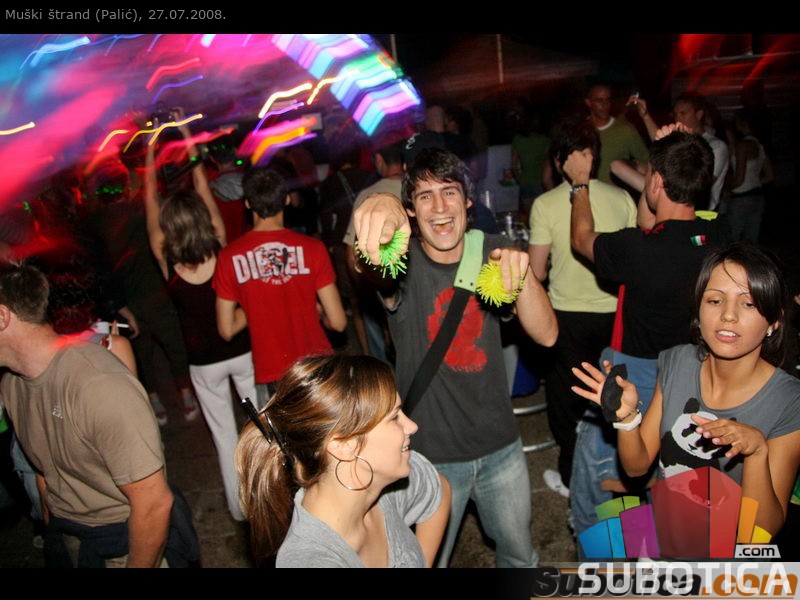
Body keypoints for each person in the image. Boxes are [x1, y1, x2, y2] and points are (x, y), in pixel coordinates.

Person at [352, 147, 558, 567]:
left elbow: (547, 334)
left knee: (519, 557)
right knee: (424, 561)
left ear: (468, 201)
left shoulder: (494, 251)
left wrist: (523, 274)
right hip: (431, 456)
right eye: (424, 196)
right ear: (411, 210)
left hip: (501, 446)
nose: (440, 207)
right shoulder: (403, 263)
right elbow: (368, 266)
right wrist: (381, 203)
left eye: (449, 192)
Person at [565, 123, 731, 541]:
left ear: (655, 182)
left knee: (596, 478)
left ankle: (598, 552)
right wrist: (673, 153)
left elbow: (581, 239)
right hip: (691, 372)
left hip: (632, 373)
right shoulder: (717, 236)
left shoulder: (636, 250)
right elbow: (651, 221)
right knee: (669, 469)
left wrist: (580, 185)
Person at [572, 243, 800, 542]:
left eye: (749, 303)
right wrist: (627, 419)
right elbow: (637, 467)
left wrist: (757, 453)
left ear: (774, 321)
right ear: (698, 309)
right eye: (715, 300)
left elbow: (761, 533)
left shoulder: (789, 401)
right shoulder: (676, 361)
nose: (728, 315)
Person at [0, 262, 174, 567]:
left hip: (123, 547)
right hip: (69, 538)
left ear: (2, 316)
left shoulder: (99, 385)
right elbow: (44, 469)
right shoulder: (12, 385)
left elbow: (153, 504)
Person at [143, 111, 256, 522]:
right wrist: (185, 132)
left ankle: (239, 510)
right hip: (241, 348)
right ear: (201, 219)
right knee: (261, 424)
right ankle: (275, 496)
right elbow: (202, 185)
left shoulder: (167, 259)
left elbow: (150, 198)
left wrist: (152, 141)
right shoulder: (219, 244)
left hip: (203, 363)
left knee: (225, 437)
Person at [235, 354, 451, 567]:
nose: (412, 426)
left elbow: (438, 488)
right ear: (344, 445)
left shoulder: (386, 490)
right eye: (394, 417)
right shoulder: (311, 561)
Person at [528, 119, 637, 499]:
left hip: (567, 316)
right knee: (615, 394)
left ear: (560, 160)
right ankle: (616, 472)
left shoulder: (545, 204)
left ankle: (572, 479)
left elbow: (537, 272)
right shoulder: (622, 199)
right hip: (615, 314)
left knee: (568, 400)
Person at [213, 166, 347, 408]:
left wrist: (255, 303)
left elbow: (226, 329)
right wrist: (315, 310)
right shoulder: (313, 248)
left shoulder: (229, 257)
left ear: (247, 204)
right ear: (286, 199)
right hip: (318, 366)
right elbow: (338, 322)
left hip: (272, 374)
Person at [722, 108, 774, 243]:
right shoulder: (759, 145)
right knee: (751, 240)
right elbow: (770, 176)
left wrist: (726, 189)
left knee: (732, 239)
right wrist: (753, 182)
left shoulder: (743, 146)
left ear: (743, 123)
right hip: (757, 197)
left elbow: (739, 179)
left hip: (741, 198)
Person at [585, 83, 649, 186]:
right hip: (588, 193)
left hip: (618, 193)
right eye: (599, 100)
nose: (605, 104)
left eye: (608, 100)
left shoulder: (625, 129)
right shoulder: (580, 131)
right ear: (588, 102)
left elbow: (646, 161)